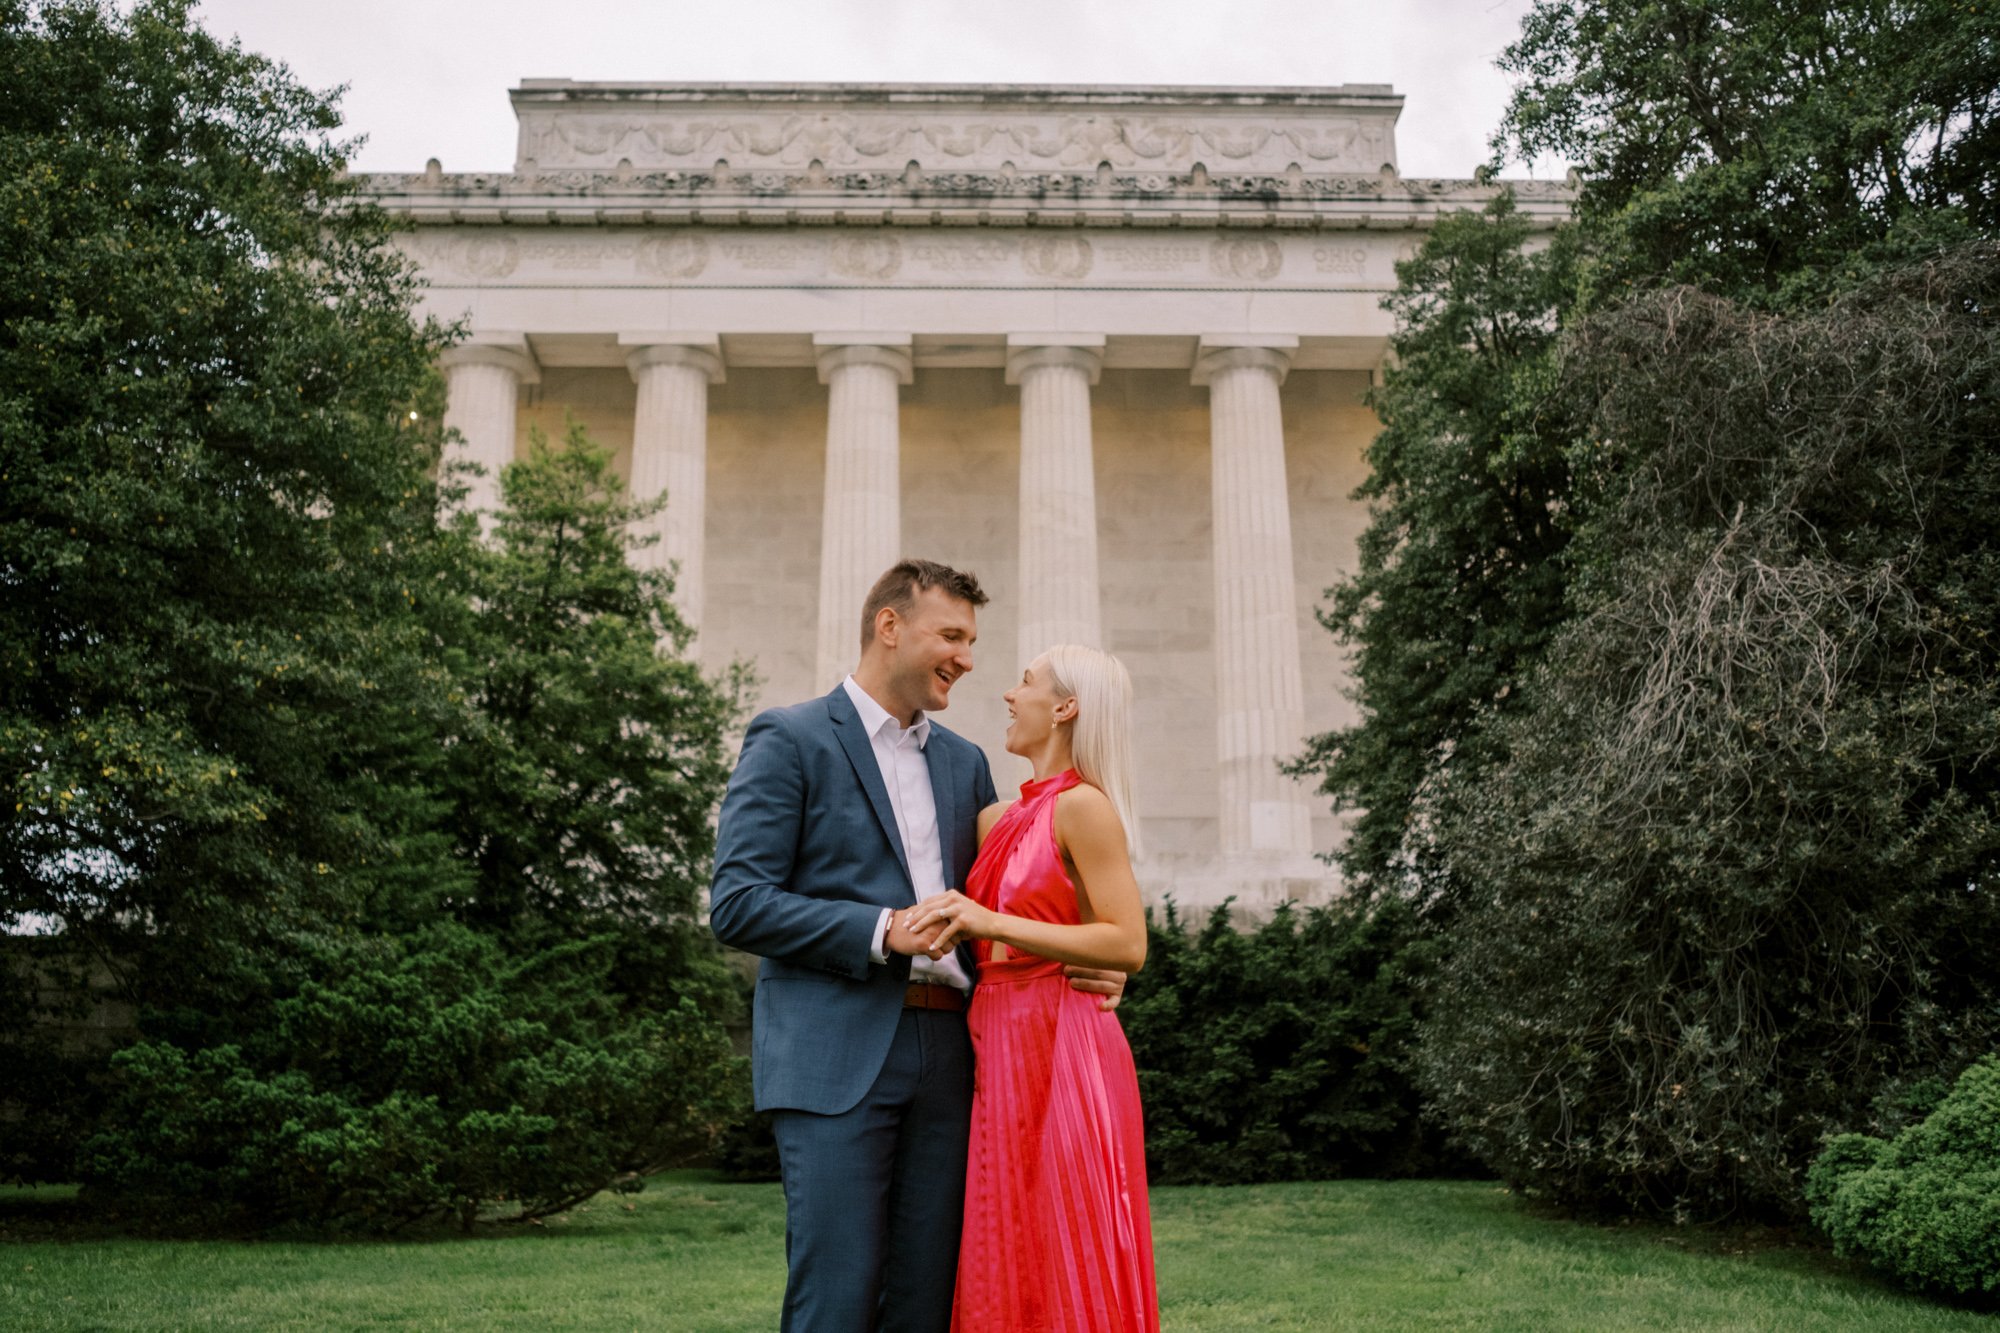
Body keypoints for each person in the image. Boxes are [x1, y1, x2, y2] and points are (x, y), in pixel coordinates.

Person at [709, 560, 1125, 1333]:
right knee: (837, 1294)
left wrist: (1091, 955)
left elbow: (1016, 892)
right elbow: (738, 902)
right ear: (889, 626)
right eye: (953, 635)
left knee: (930, 1300)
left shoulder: (965, 762)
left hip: (956, 1056)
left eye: (973, 639)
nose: (968, 658)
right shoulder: (790, 737)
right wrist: (879, 930)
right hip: (834, 1054)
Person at [907, 644, 1160, 1333]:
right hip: (996, 1041)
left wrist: (990, 920)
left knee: (1070, 1236)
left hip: (1066, 1041)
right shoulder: (995, 820)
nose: (1009, 696)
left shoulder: (1086, 808)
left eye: (1025, 683)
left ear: (1065, 707)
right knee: (1001, 1235)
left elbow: (1127, 941)